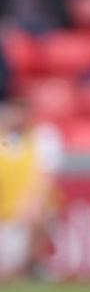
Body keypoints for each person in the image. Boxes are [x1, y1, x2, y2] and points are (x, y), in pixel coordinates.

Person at [0, 99, 63, 279]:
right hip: (5, 216)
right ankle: (30, 268)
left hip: (28, 214)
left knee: (40, 217)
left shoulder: (44, 136)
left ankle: (30, 265)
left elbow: (44, 179)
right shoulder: (4, 140)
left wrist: (30, 207)